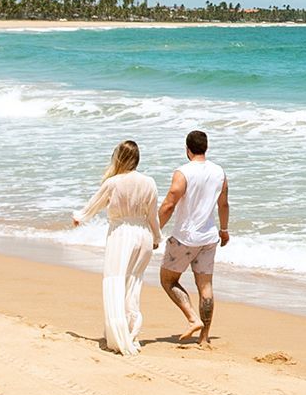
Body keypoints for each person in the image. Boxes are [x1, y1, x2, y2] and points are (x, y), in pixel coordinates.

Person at [71, 139, 162, 356]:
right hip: (144, 236)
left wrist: (79, 218)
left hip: (122, 234)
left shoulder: (113, 183)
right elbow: (153, 216)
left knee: (115, 282)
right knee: (133, 284)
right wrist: (157, 237)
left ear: (118, 158)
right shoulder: (149, 182)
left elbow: (92, 205)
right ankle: (132, 333)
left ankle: (117, 336)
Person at [157, 129, 229, 348]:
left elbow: (170, 202)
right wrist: (224, 230)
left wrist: (154, 230)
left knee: (168, 280)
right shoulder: (219, 172)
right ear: (205, 148)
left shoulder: (183, 172)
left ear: (187, 149)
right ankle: (204, 338)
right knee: (205, 286)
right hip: (209, 237)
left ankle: (192, 318)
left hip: (185, 238)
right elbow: (223, 204)